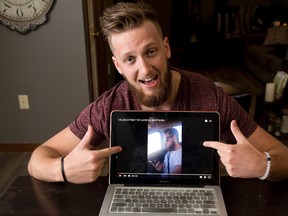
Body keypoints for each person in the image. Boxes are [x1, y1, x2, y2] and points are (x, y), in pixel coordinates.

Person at [28, 2, 288, 183]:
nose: (144, 69)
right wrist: (63, 169)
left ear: (166, 48)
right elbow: (38, 158)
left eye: (150, 51)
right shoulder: (109, 106)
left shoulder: (210, 96)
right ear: (118, 65)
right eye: (130, 59)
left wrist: (262, 166)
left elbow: (282, 156)